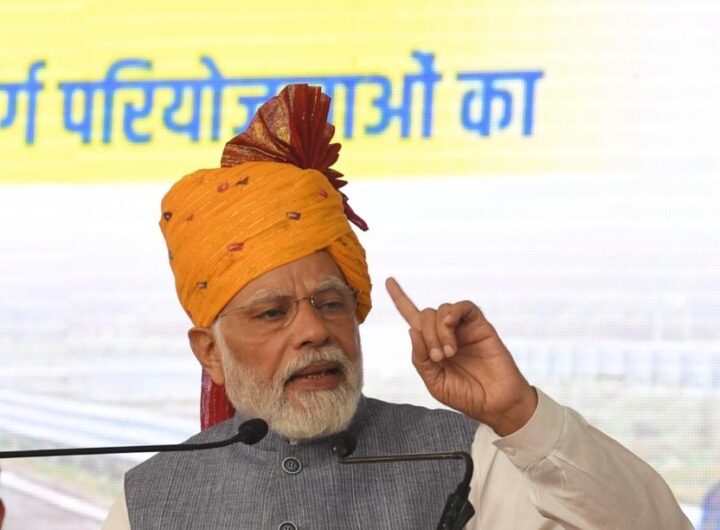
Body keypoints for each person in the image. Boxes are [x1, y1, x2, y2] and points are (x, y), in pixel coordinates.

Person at [102, 84, 692, 529]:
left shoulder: (464, 456)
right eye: (272, 313)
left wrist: (519, 414)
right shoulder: (147, 501)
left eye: (331, 303)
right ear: (210, 352)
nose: (313, 330)